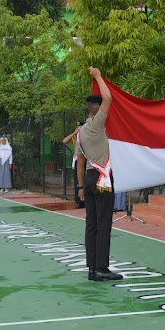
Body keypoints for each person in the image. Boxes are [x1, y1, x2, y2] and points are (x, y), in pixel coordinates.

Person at [76, 67, 122, 282]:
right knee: (104, 224)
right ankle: (101, 268)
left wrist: (80, 187)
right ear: (96, 110)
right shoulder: (96, 125)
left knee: (91, 224)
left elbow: (80, 162)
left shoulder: (81, 132)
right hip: (103, 178)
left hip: (88, 179)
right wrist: (98, 76)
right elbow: (109, 97)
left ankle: (91, 267)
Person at [63, 122, 85, 208]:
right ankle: (78, 201)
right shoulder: (75, 137)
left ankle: (85, 200)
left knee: (84, 181)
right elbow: (64, 141)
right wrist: (74, 133)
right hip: (76, 161)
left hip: (85, 161)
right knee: (77, 181)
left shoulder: (86, 136)